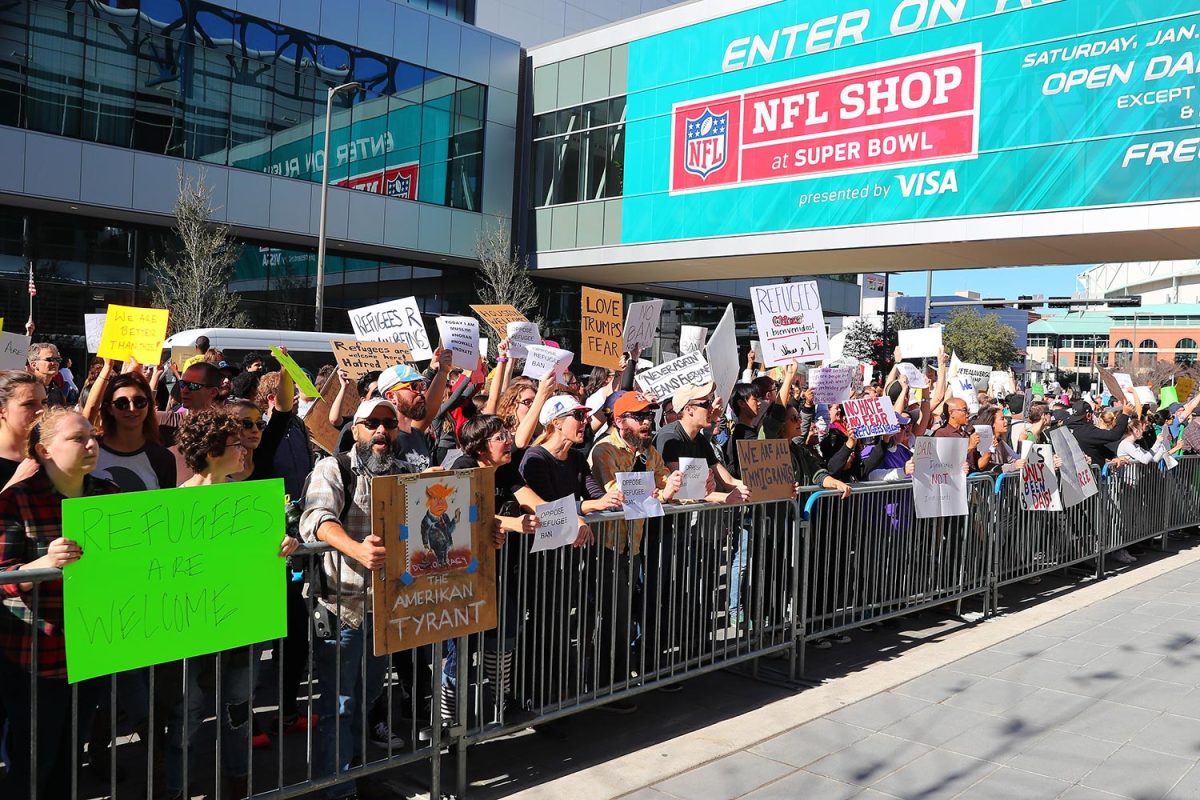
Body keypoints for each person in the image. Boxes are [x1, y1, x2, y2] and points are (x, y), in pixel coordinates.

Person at [167, 409, 298, 798]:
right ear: (211, 451)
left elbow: (265, 559)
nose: (245, 449)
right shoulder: (171, 505)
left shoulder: (251, 504)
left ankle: (238, 782)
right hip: (187, 634)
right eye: (235, 443)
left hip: (241, 630)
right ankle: (177, 789)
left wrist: (286, 545)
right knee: (185, 717)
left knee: (239, 711)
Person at [300, 398, 419, 798]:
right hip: (342, 606)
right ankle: (338, 786)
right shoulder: (333, 469)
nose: (382, 431)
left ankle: (350, 767)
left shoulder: (405, 473)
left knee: (367, 695)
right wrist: (355, 549)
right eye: (372, 424)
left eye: (389, 423)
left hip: (386, 608)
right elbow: (315, 520)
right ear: (355, 430)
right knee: (340, 702)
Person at [0, 409, 117, 798]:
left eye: (91, 436)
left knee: (69, 758)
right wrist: (43, 564)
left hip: (92, 650)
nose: (90, 444)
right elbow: (2, 578)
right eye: (76, 438)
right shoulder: (16, 501)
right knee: (34, 762)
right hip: (36, 657)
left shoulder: (109, 496)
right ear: (44, 450)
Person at [92, 371, 176, 491]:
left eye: (139, 402)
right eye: (122, 403)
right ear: (110, 408)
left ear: (149, 404)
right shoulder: (90, 451)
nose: (132, 409)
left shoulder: (163, 459)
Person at [0, 370, 46, 491]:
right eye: (29, 404)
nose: (42, 410)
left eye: (44, 402)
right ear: (2, 411)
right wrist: (15, 482)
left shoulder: (48, 453)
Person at [26, 342, 66, 408]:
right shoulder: (26, 389)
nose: (55, 363)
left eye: (57, 359)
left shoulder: (56, 390)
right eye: (50, 359)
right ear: (34, 364)